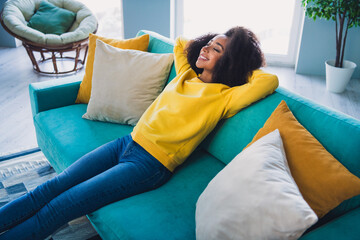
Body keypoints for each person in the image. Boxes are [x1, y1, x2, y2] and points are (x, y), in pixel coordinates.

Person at [0, 26, 278, 240]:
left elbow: (269, 80)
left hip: (147, 165)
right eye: (208, 42)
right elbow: (182, 44)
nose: (205, 48)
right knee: (49, 189)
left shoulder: (225, 97)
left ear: (230, 61)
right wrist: (217, 43)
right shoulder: (186, 75)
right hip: (126, 142)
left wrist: (239, 54)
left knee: (60, 207)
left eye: (216, 49)